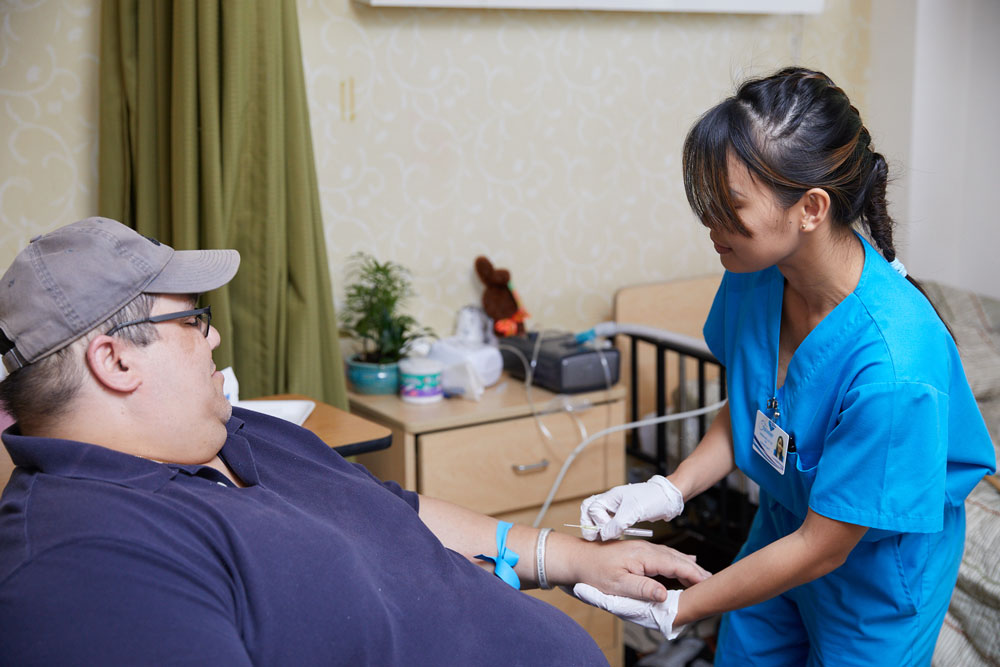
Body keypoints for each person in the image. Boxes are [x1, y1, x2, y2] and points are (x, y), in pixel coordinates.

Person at [0, 217, 710, 665]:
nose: (214, 335)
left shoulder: (234, 432)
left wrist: (570, 554)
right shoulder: (83, 567)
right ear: (115, 359)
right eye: (194, 320)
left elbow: (391, 509)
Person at [576, 67, 996, 665]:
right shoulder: (755, 272)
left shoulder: (895, 369)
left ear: (810, 208)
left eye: (729, 206)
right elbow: (754, 406)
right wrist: (668, 489)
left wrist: (679, 608)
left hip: (870, 576)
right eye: (707, 203)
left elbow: (823, 548)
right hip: (782, 529)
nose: (709, 224)